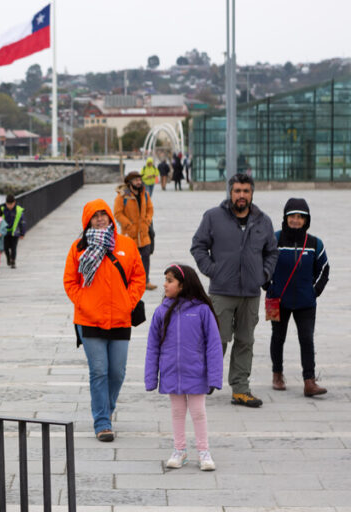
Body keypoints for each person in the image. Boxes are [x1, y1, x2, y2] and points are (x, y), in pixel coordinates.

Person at [190, 174, 278, 408]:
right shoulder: (213, 217)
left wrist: (264, 275)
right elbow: (198, 246)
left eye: (246, 191)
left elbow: (272, 252)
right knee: (217, 339)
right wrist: (212, 270)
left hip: (251, 292)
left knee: (245, 340)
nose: (241, 195)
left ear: (252, 194)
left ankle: (240, 388)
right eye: (237, 190)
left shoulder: (263, 221)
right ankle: (207, 379)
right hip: (222, 291)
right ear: (230, 192)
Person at [64, 199, 146, 442]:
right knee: (98, 371)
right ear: (87, 220)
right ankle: (102, 422)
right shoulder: (78, 248)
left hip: (120, 319)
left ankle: (105, 410)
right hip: (89, 320)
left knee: (117, 372)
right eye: (95, 216)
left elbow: (138, 278)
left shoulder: (127, 245)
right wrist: (84, 302)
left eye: (104, 215)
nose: (100, 219)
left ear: (111, 217)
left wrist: (128, 302)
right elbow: (70, 282)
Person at [145, 264, 223, 471]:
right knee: (177, 412)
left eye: (170, 280)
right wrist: (151, 378)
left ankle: (204, 452)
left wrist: (214, 377)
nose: (165, 284)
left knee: (198, 412)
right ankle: (179, 450)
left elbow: (214, 345)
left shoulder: (202, 311)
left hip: (197, 373)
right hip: (172, 372)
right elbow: (152, 346)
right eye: (165, 280)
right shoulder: (161, 312)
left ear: (183, 284)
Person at [267, 198, 330, 396]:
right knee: (278, 337)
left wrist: (315, 291)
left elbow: (325, 268)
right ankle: (277, 374)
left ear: (306, 220)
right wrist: (267, 286)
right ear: (285, 218)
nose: (295, 220)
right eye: (292, 216)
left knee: (307, 339)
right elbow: (260, 264)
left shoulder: (314, 243)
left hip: (306, 302)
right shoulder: (274, 240)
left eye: (300, 217)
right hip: (275, 300)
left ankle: (309, 381)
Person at [114, 171, 157, 290]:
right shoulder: (122, 196)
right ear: (130, 182)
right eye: (136, 180)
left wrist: (147, 221)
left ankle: (145, 281)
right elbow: (118, 214)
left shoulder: (145, 194)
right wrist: (128, 225)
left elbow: (150, 209)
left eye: (140, 179)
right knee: (130, 260)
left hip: (144, 233)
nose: (139, 182)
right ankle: (128, 281)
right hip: (129, 234)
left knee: (146, 256)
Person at [1, 194, 26, 269]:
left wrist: (22, 233)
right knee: (5, 248)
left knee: (13, 247)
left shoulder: (18, 210)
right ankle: (8, 258)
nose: (10, 206)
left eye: (11, 204)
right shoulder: (2, 209)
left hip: (15, 232)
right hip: (5, 232)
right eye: (8, 204)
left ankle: (13, 261)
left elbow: (22, 222)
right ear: (6, 203)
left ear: (14, 202)